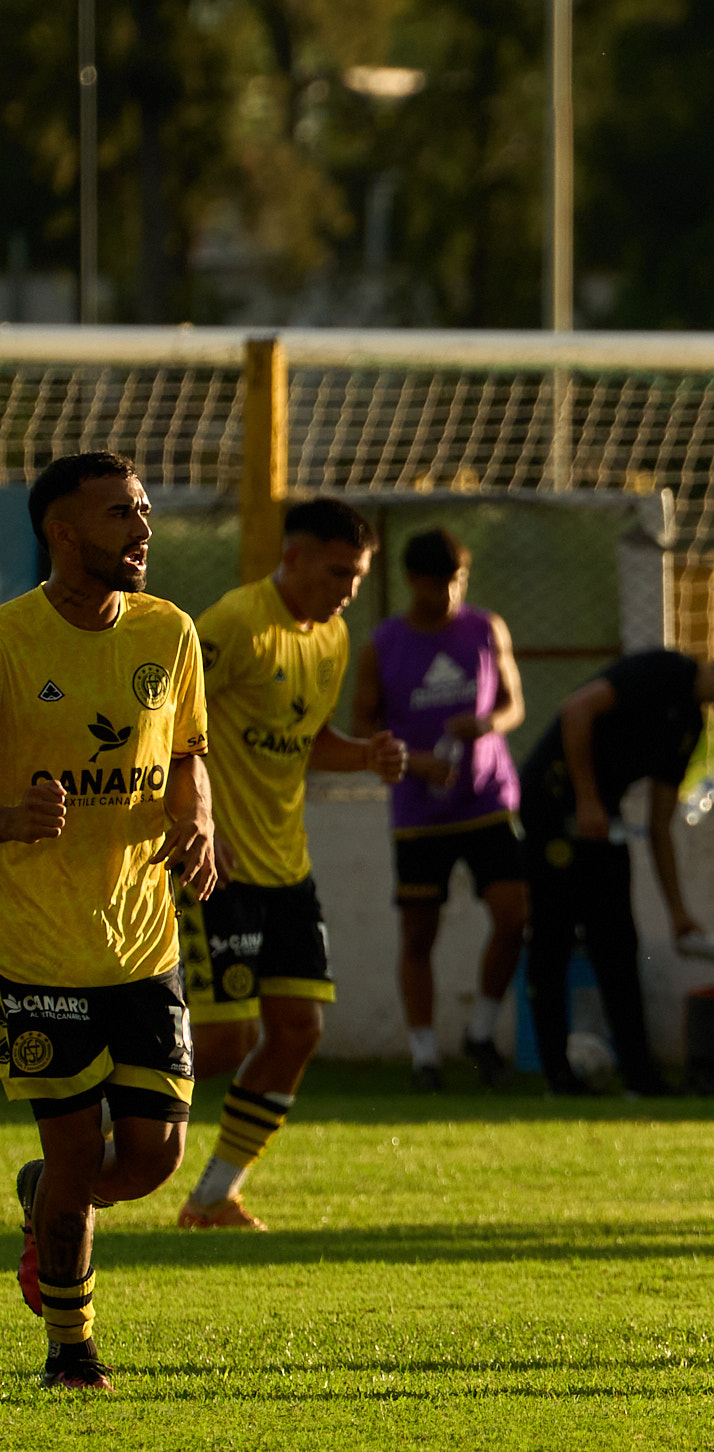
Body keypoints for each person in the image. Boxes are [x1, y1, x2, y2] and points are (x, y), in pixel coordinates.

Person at [2, 452, 216, 1389]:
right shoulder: (8, 642)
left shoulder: (170, 632)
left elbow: (188, 755)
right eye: (121, 514)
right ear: (62, 531)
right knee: (78, 1149)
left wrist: (197, 814)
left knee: (151, 1160)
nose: (143, 529)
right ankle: (71, 1346)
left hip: (144, 941)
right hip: (39, 948)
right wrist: (10, 821)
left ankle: (42, 1200)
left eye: (144, 511)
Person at [175, 499, 407, 1231]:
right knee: (222, 1041)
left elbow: (306, 742)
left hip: (287, 867)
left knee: (299, 1030)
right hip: (222, 865)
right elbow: (166, 732)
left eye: (359, 576)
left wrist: (365, 754)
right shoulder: (233, 623)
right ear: (295, 557)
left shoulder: (332, 637)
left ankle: (213, 1196)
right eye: (339, 571)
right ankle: (100, 1149)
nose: (348, 589)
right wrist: (198, 824)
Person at [518, 642, 714, 1096]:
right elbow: (576, 711)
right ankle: (557, 1075)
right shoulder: (663, 670)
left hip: (601, 821)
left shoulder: (689, 725)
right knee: (552, 940)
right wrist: (586, 799)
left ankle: (640, 1077)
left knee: (618, 944)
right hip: (553, 806)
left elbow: (659, 824)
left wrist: (678, 910)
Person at [353, 528, 527, 1092]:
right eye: (438, 583)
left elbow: (511, 703)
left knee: (513, 912)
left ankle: (481, 1032)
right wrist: (415, 761)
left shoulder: (485, 627)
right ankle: (425, 1055)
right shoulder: (384, 644)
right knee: (419, 932)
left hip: (486, 798)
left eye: (458, 580)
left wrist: (486, 725)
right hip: (420, 809)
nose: (449, 593)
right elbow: (363, 725)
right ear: (411, 582)